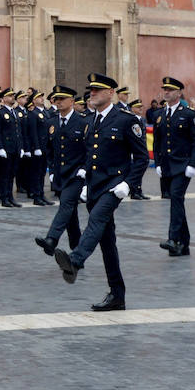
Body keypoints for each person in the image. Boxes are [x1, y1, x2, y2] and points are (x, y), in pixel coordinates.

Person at [51, 73, 148, 311]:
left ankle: (75, 260)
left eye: (97, 90)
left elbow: (142, 157)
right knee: (107, 243)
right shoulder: (92, 120)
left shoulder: (126, 119)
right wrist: (85, 182)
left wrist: (127, 184)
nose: (91, 93)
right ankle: (117, 295)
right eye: (90, 90)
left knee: (96, 219)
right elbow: (91, 155)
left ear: (110, 93)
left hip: (113, 187)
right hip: (95, 187)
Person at [151, 77, 195, 257]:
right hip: (166, 166)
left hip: (183, 165)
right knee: (176, 200)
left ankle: (173, 238)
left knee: (176, 196)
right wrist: (157, 163)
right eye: (164, 89)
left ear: (179, 93)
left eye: (170, 90)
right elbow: (157, 142)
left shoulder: (189, 114)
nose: (166, 92)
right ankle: (184, 244)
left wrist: (193, 165)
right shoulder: (159, 115)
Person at [34, 85, 88, 256]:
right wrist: (51, 170)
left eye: (62, 99)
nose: (58, 102)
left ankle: (51, 239)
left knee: (66, 204)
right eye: (56, 99)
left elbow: (91, 149)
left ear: (72, 101)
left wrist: (85, 169)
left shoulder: (83, 122)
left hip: (76, 175)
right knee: (70, 214)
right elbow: (49, 149)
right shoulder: (51, 122)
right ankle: (77, 250)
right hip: (59, 174)